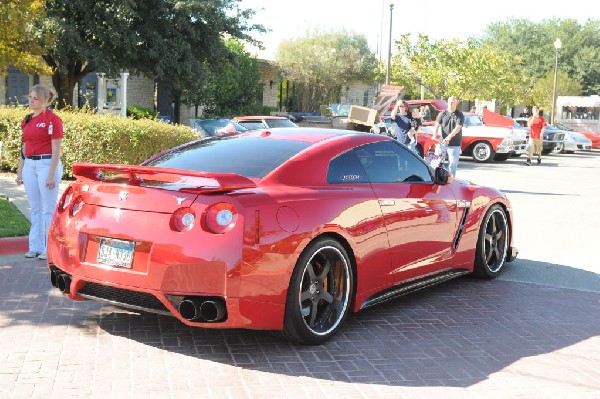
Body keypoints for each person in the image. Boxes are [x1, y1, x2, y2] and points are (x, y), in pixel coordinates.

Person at [15, 85, 64, 260]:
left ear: (46, 101)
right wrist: (20, 170)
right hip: (30, 165)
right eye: (30, 97)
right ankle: (34, 246)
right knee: (35, 209)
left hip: (47, 164)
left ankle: (48, 248)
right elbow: (25, 145)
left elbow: (56, 149)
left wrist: (52, 174)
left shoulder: (53, 120)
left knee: (48, 209)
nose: (31, 101)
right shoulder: (27, 119)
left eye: (35, 98)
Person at [432, 96, 464, 177]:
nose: (451, 103)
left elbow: (458, 127)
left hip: (455, 143)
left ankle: (451, 181)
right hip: (442, 143)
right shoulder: (442, 114)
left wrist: (449, 137)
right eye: (449, 102)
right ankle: (436, 178)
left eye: (453, 102)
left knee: (452, 164)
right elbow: (437, 125)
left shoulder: (459, 115)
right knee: (437, 162)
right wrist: (435, 135)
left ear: (456, 103)